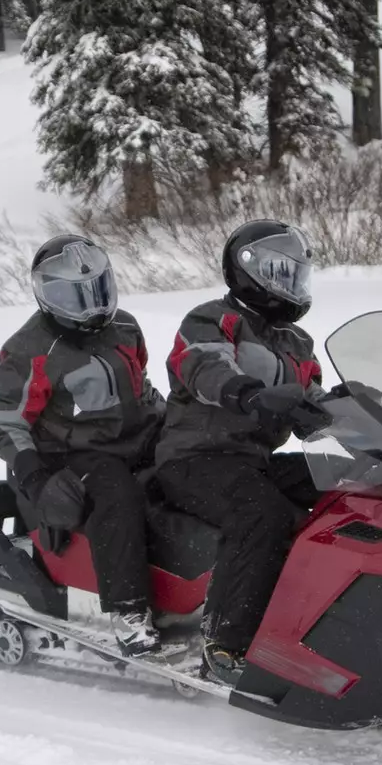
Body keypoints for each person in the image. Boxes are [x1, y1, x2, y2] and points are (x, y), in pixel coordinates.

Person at [154, 220, 333, 682]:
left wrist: (359, 405)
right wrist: (245, 392)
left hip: (253, 461)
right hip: (194, 458)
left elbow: (312, 396)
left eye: (298, 272)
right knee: (262, 512)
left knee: (343, 484)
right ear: (251, 271)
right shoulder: (212, 318)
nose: (292, 282)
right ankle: (225, 642)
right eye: (282, 271)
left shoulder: (297, 342)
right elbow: (203, 364)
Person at [0, 235, 166, 655]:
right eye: (74, 295)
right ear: (47, 295)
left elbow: (141, 388)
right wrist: (34, 474)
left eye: (97, 289)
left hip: (138, 437)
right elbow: (2, 419)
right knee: (116, 493)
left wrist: (174, 425)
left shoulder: (125, 327)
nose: (91, 304)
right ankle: (128, 613)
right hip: (73, 452)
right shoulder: (32, 350)